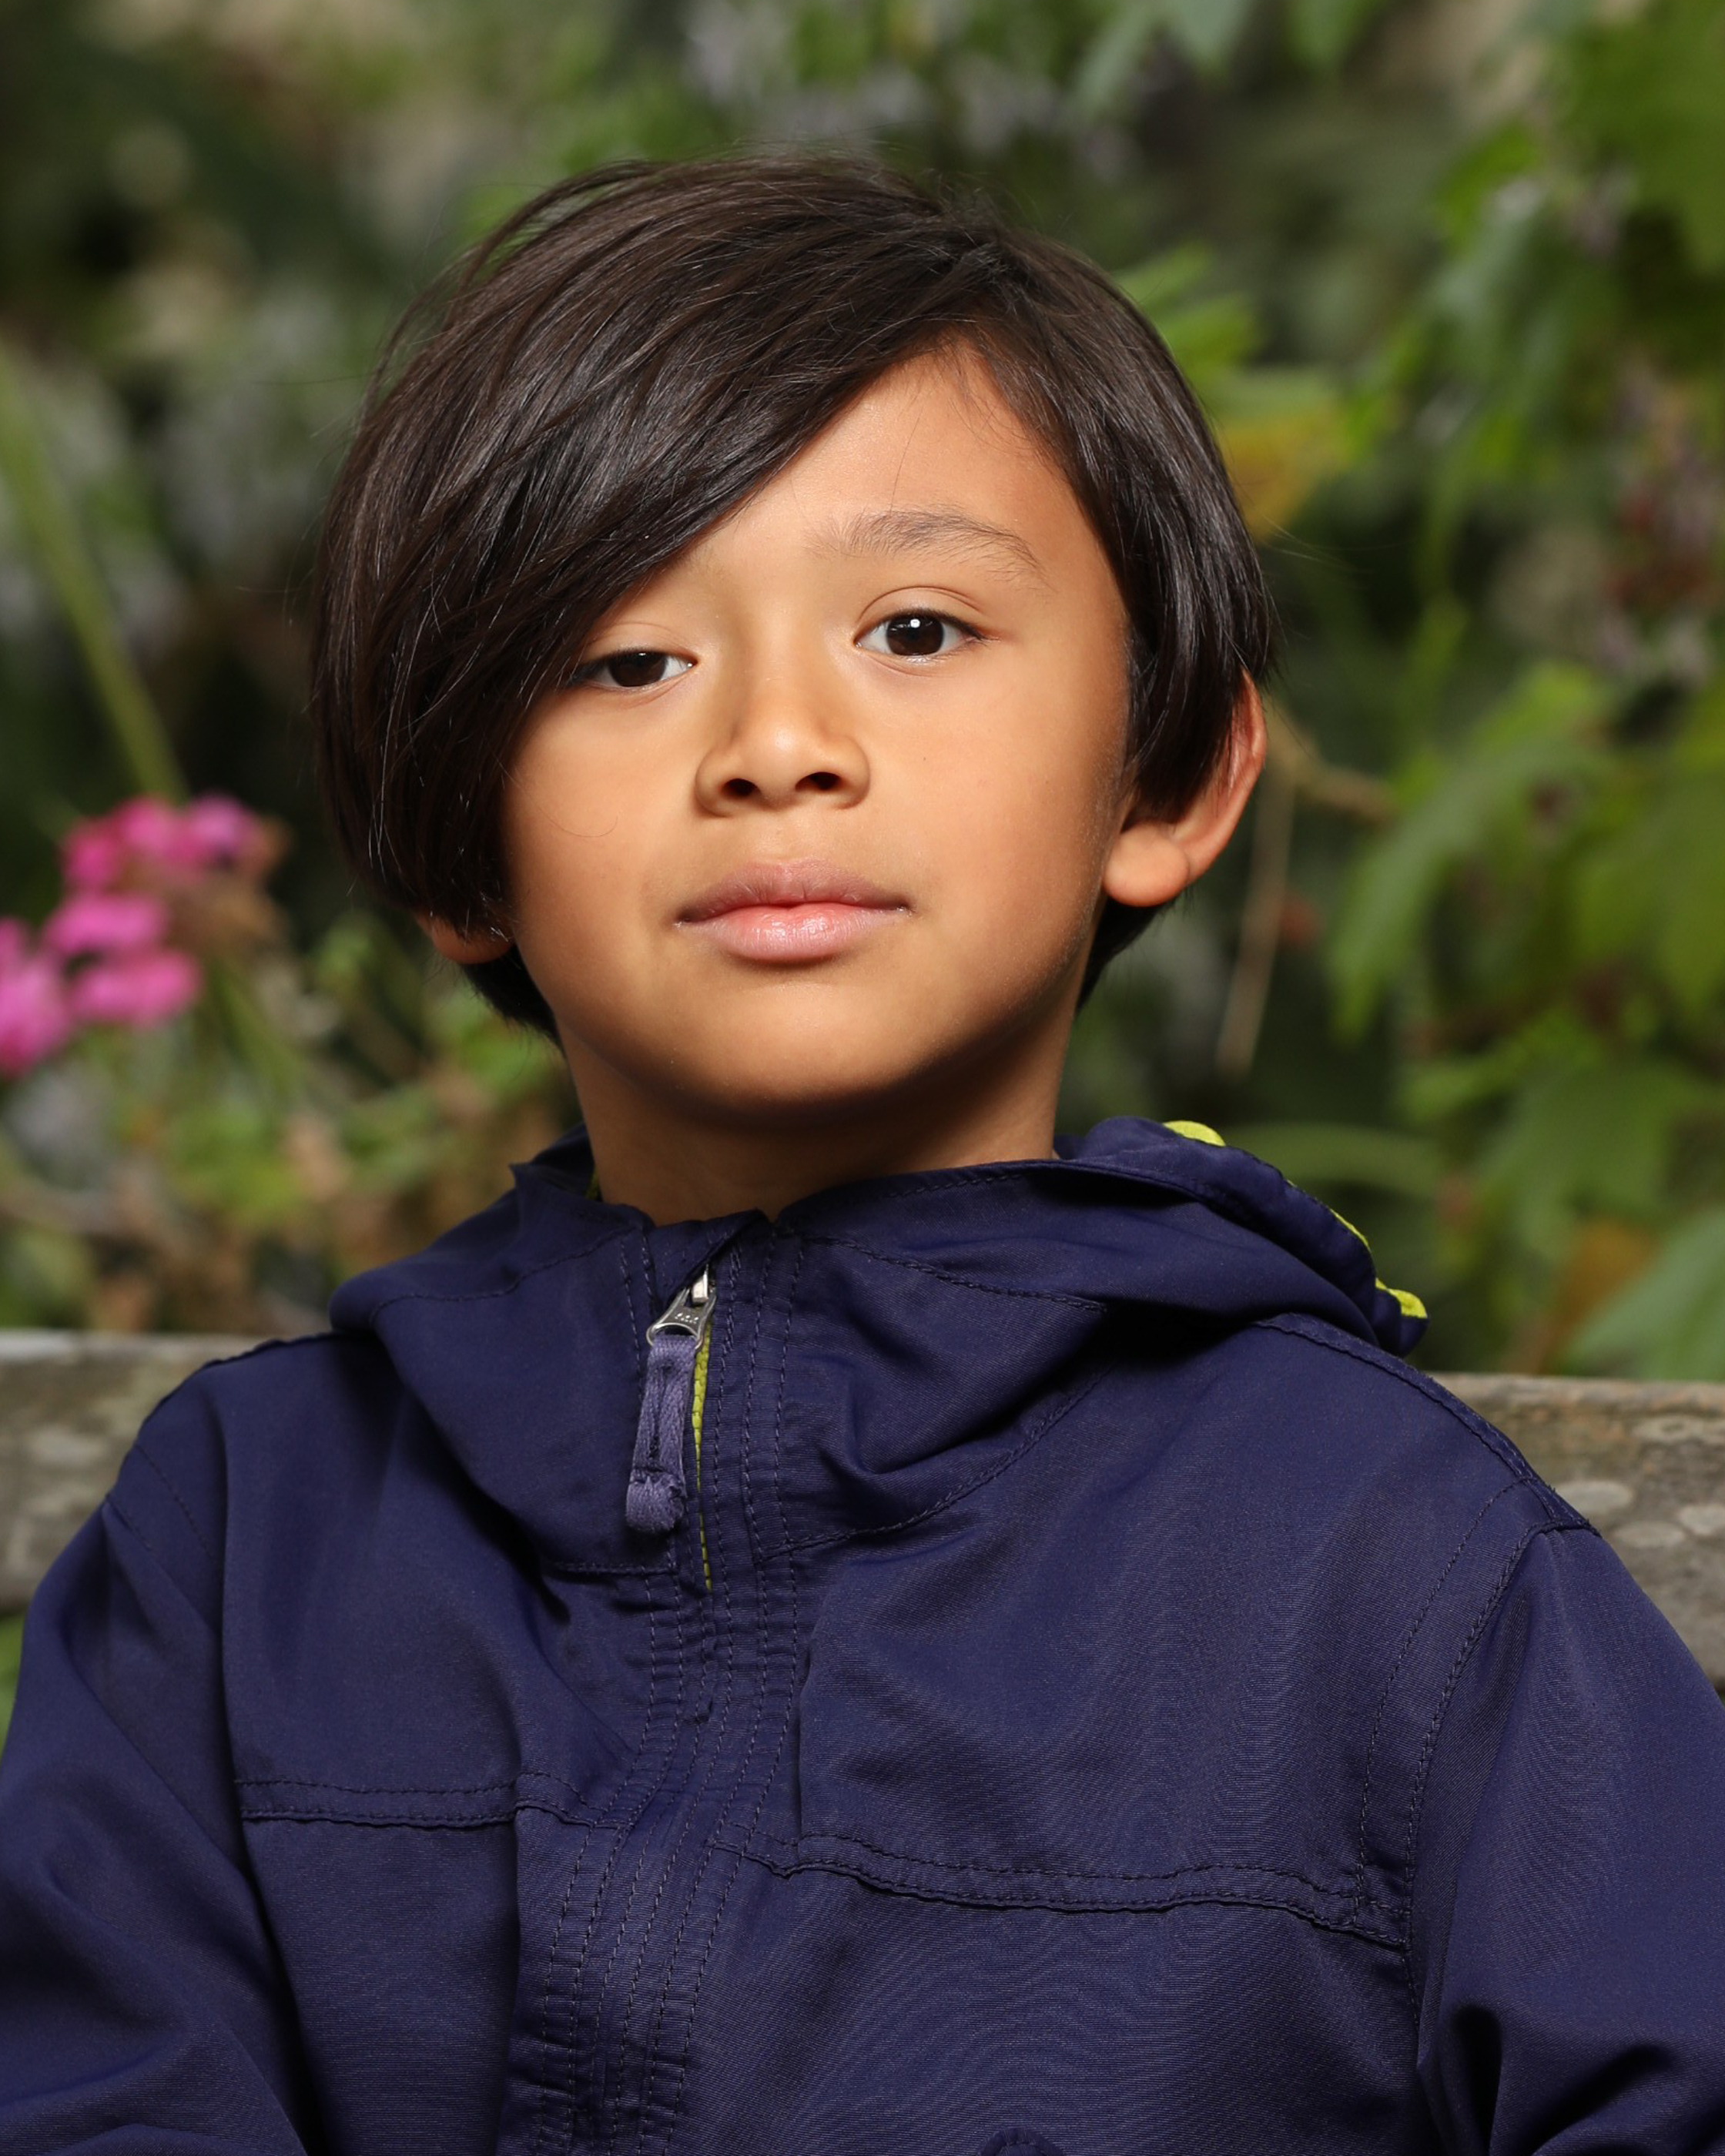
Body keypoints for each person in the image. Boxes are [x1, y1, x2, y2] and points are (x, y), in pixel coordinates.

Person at [1, 153, 1722, 2156]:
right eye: (629, 661)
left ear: (1166, 775)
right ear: (459, 845)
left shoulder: (1392, 1566)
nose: (778, 744)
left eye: (915, 627)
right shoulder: (242, 1548)